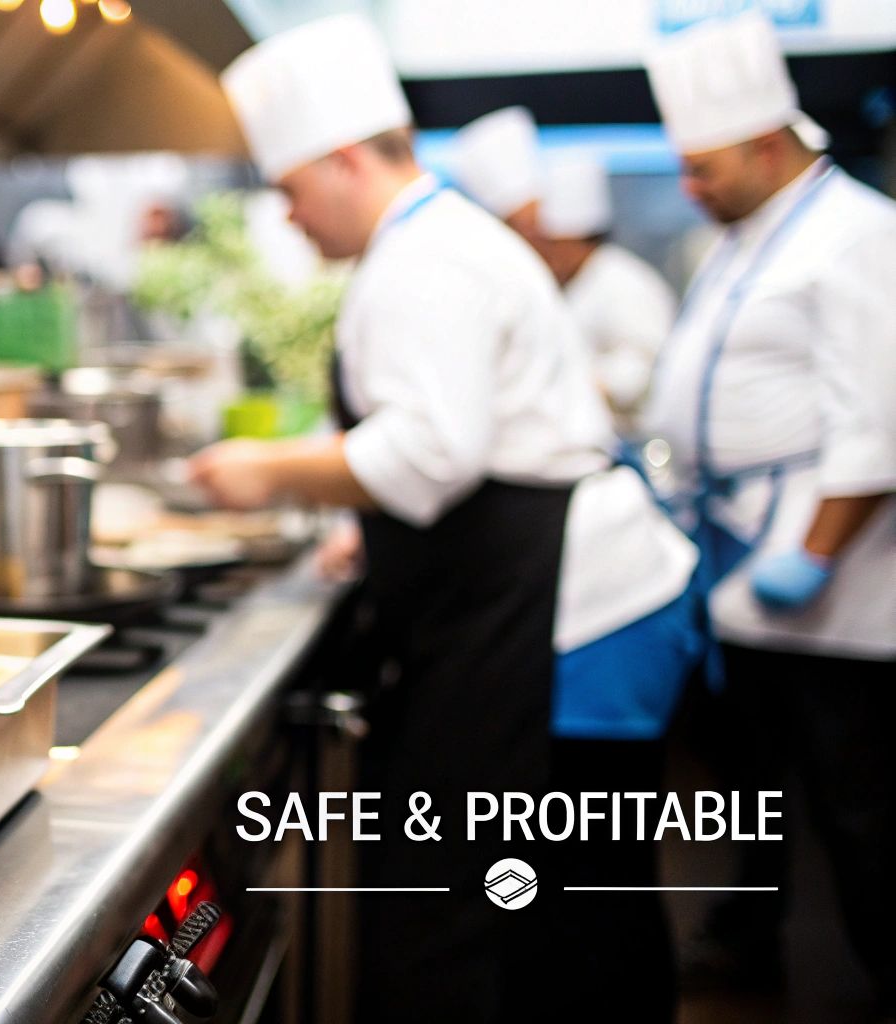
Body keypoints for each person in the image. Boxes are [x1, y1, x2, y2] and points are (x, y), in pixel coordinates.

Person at [203, 15, 694, 1020]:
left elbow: (432, 452)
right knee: (565, 888)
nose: (288, 219)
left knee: (551, 900)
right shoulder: (438, 240)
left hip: (565, 618)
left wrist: (267, 471)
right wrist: (368, 525)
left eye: (290, 190)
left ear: (342, 162)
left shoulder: (420, 260)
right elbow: (468, 442)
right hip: (543, 586)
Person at [641, 13, 896, 1012]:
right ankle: (744, 951)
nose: (687, 189)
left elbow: (878, 423)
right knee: (748, 797)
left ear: (761, 144)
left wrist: (815, 556)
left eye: (701, 168)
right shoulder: (747, 238)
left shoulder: (858, 235)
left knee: (861, 817)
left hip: (833, 591)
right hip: (744, 570)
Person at [451, 108, 677, 434]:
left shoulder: (622, 281)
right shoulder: (538, 284)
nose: (540, 250)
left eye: (543, 237)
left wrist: (572, 384)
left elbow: (646, 367)